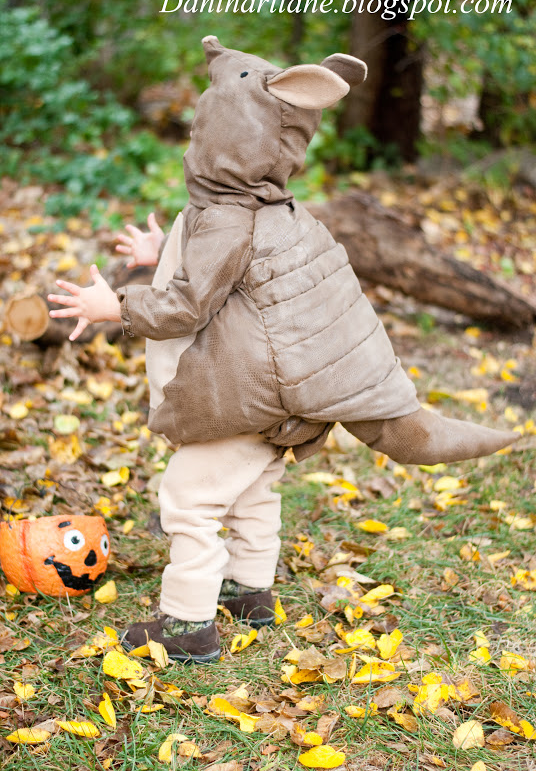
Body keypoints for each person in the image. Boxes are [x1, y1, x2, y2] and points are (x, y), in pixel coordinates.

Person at [48, 37, 517, 663]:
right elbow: (234, 275)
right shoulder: (261, 207)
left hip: (243, 395)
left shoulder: (225, 214)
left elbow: (189, 305)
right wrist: (162, 253)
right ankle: (249, 590)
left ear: (220, 135)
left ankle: (186, 623)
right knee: (254, 489)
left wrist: (118, 306)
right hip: (276, 397)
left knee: (189, 500)